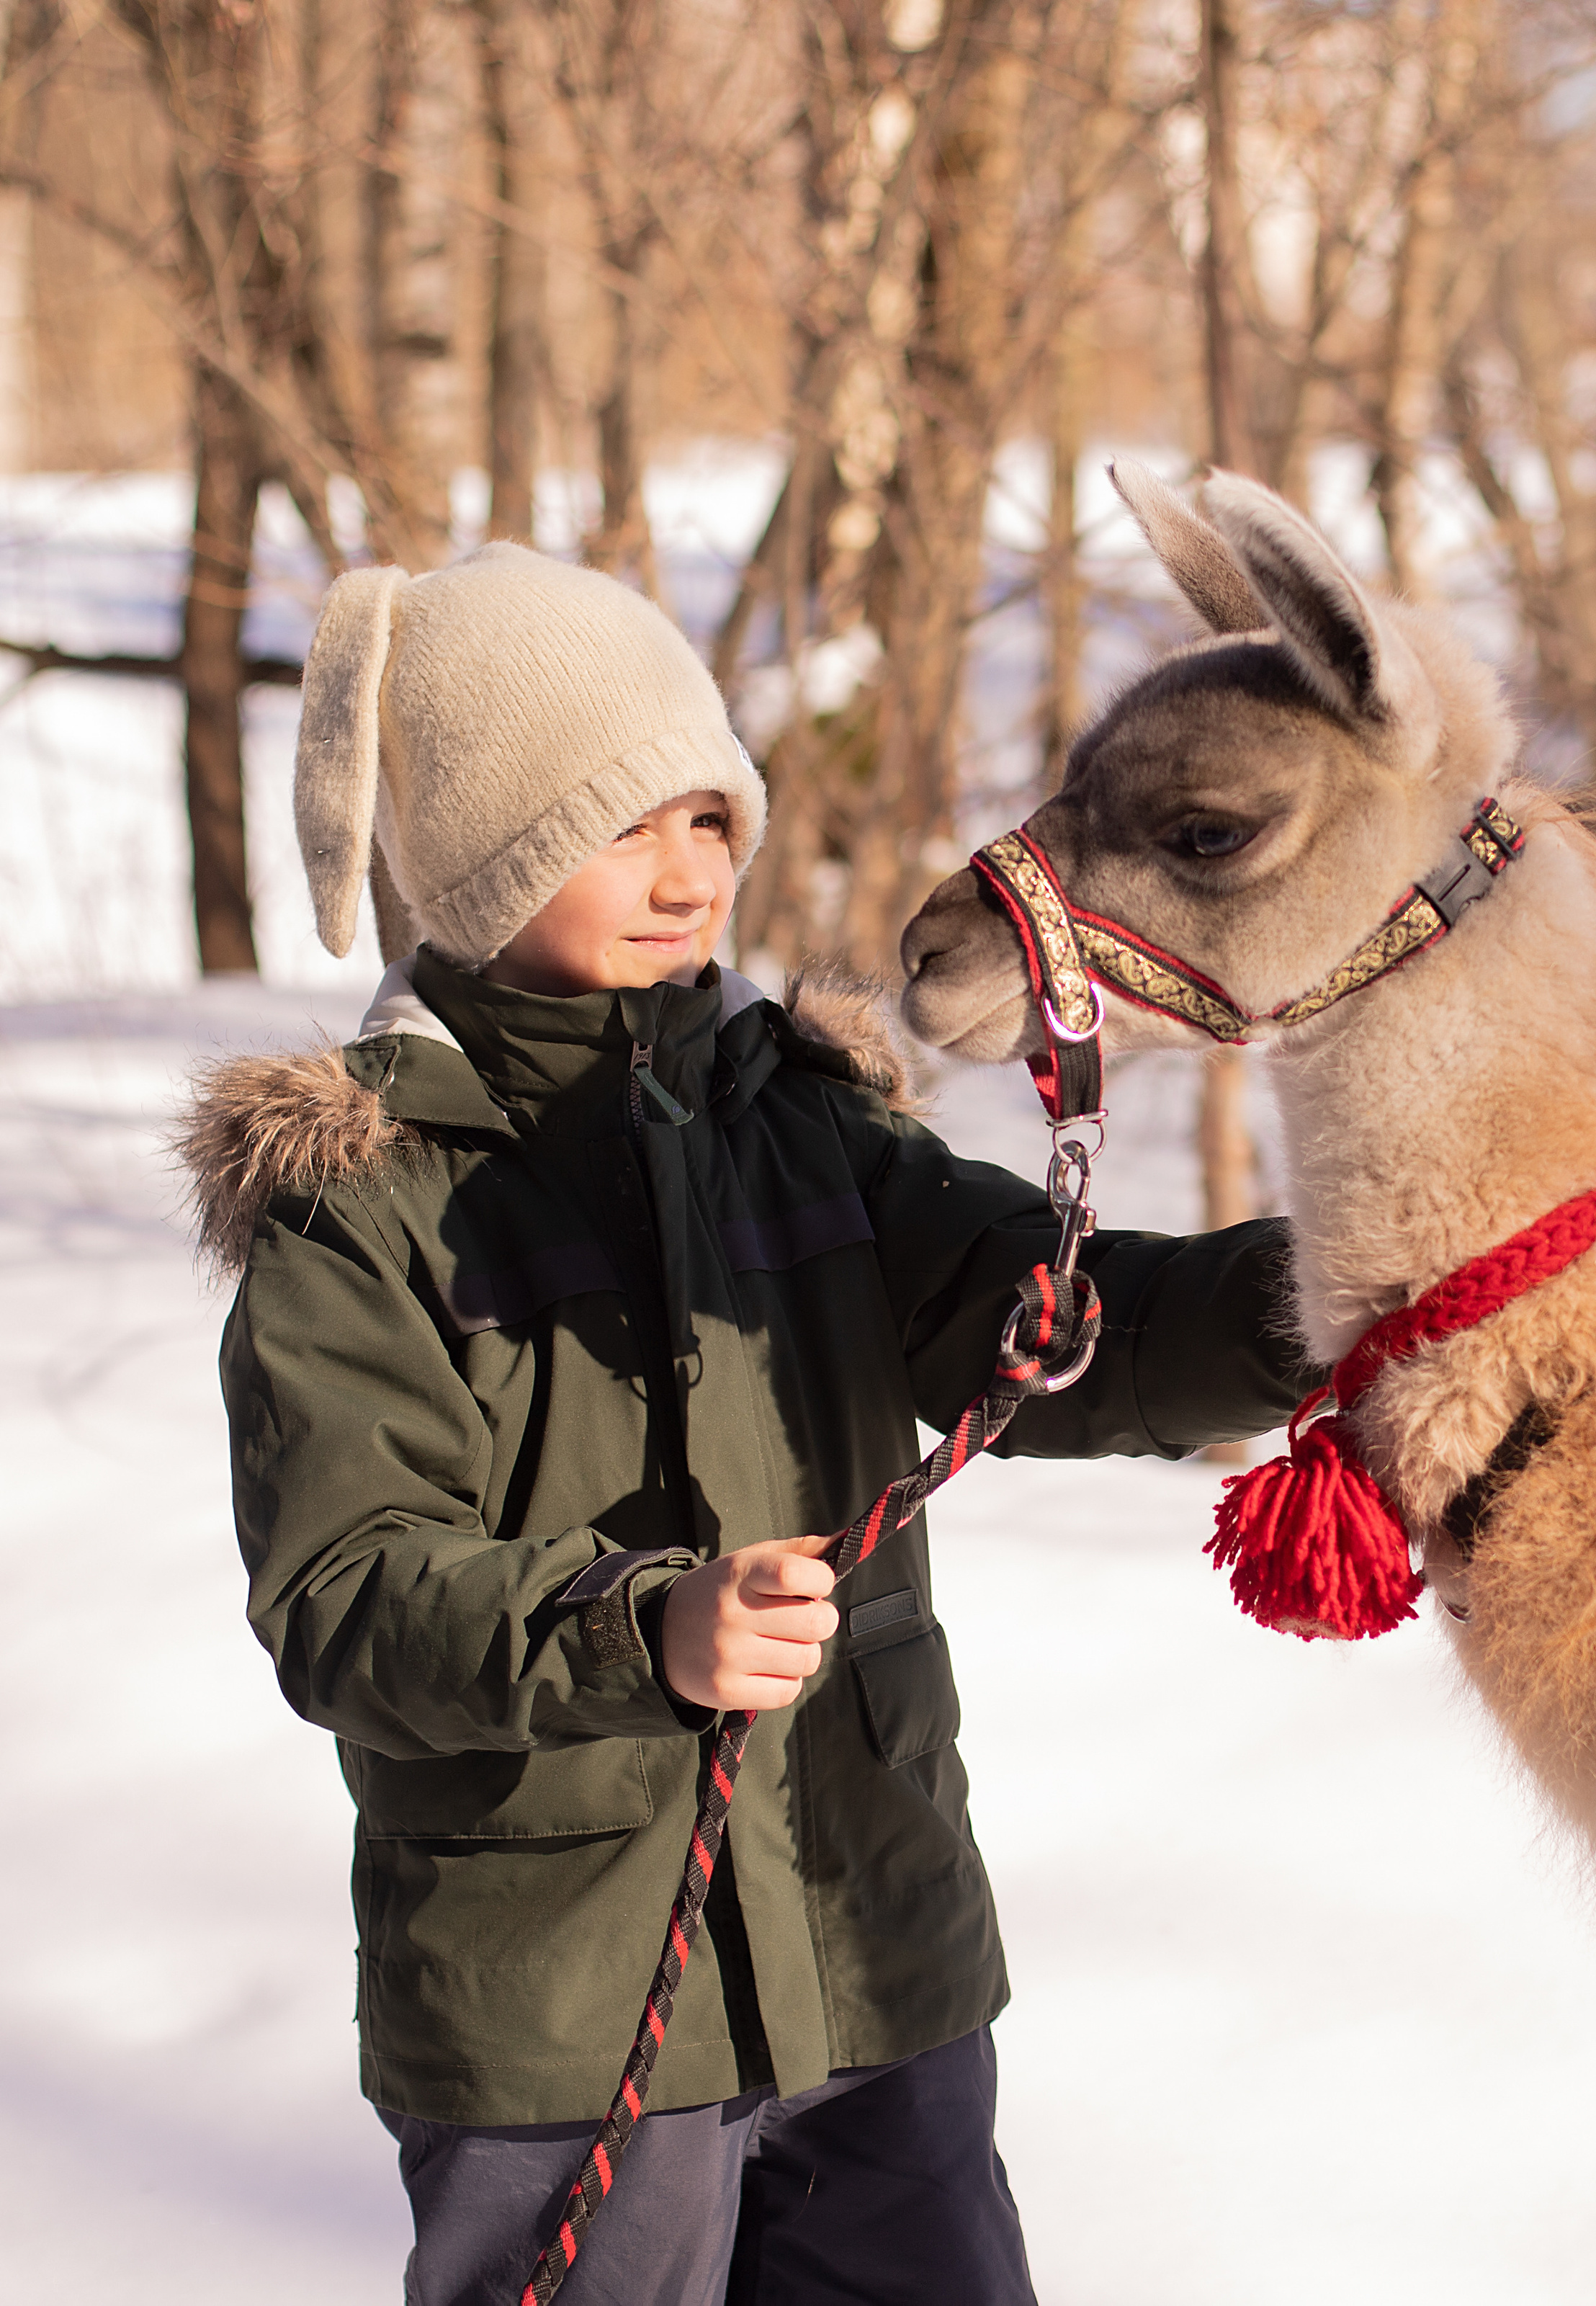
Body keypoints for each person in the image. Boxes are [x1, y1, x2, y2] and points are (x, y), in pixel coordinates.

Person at [180, 542, 1313, 2306]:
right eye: (622, 823)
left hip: (870, 1942)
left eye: (713, 819)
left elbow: (1055, 1324)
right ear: (482, 852)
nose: (689, 872)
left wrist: (1323, 1299)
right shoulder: (365, 1206)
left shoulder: (805, 1125)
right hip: (560, 2017)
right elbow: (350, 1593)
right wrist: (646, 1629)